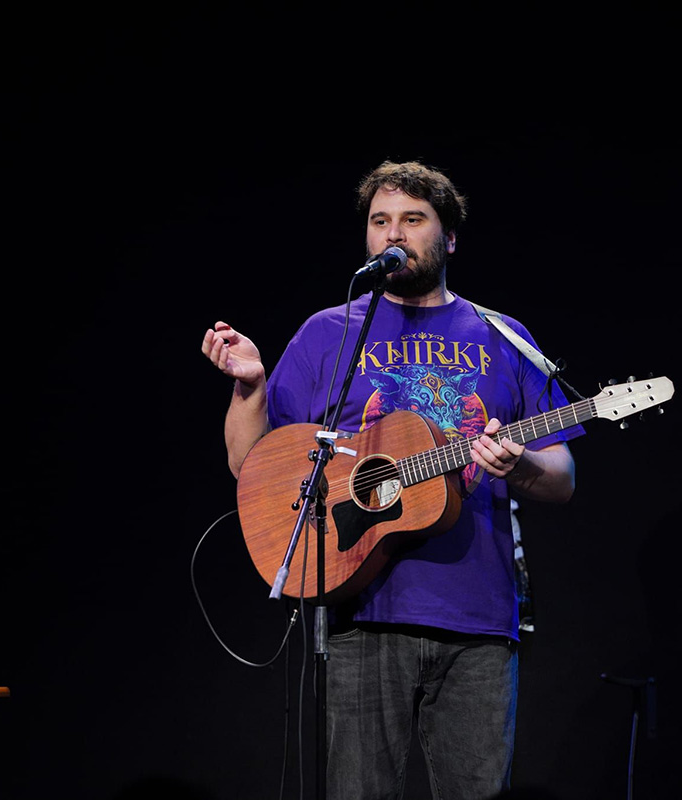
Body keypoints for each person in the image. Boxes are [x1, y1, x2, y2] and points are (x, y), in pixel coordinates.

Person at [201, 160, 581, 799]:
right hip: (360, 609)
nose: (393, 234)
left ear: (449, 237)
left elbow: (562, 477)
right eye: (380, 221)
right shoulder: (329, 332)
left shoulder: (505, 337)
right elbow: (252, 465)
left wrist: (519, 464)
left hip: (478, 620)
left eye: (412, 219)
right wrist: (250, 388)